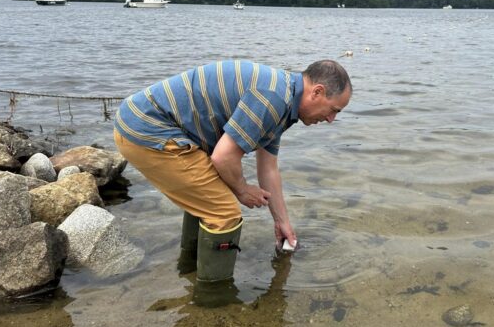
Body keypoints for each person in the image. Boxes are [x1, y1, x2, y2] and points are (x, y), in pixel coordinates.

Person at [113, 59, 352, 284]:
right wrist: (242, 190)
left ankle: (188, 269)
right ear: (317, 92)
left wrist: (282, 223)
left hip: (140, 121)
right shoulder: (272, 98)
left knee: (208, 196)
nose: (331, 119)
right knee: (224, 213)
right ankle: (213, 295)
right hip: (146, 129)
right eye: (334, 110)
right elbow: (223, 157)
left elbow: (268, 168)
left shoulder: (284, 99)